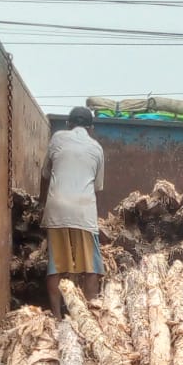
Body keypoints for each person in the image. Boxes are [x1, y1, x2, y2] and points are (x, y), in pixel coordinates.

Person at [40, 106, 105, 318]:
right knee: (91, 268)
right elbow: (97, 187)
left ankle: (57, 317)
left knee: (56, 266)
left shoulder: (57, 138)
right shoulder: (96, 148)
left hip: (56, 208)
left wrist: (42, 206)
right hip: (83, 209)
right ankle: (89, 318)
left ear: (68, 124)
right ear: (91, 128)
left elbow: (45, 175)